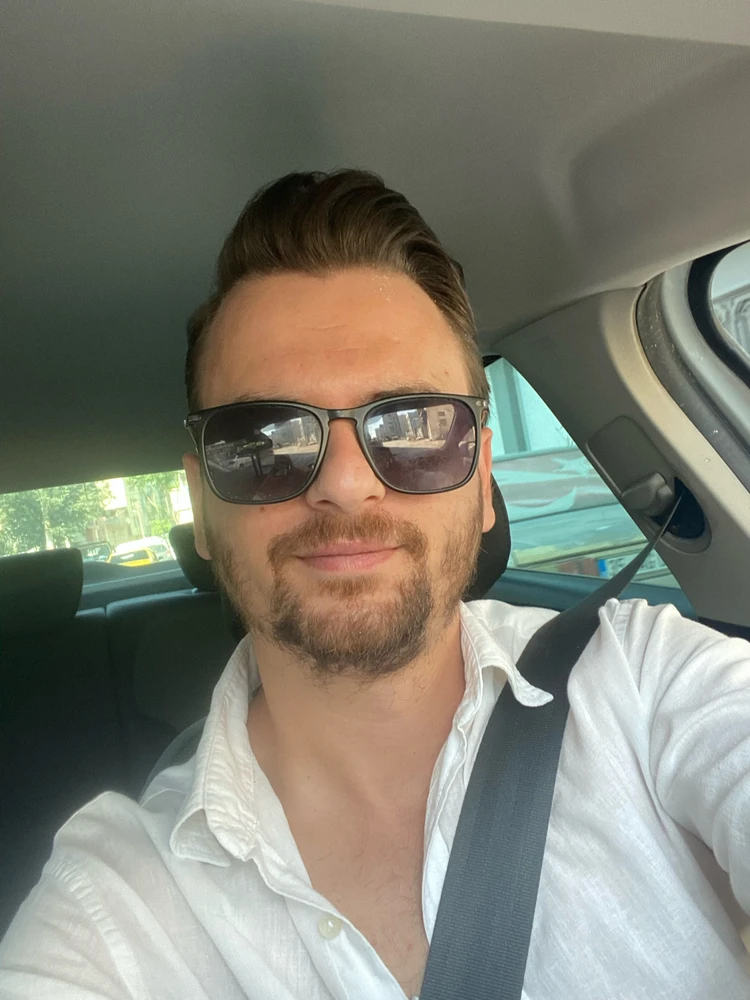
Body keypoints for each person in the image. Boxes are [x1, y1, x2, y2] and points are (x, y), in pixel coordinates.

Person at [1, 170, 750, 1000]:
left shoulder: (647, 682)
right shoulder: (115, 903)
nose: (346, 486)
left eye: (414, 426)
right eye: (265, 441)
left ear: (482, 477)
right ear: (203, 507)